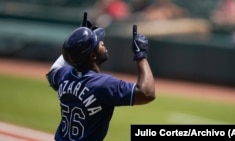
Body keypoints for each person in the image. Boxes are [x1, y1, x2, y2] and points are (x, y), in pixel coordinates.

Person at [46, 13, 155, 141]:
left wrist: (75, 43)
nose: (102, 43)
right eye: (98, 42)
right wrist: (141, 56)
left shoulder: (64, 76)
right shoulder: (103, 84)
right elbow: (147, 93)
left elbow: (53, 70)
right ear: (92, 56)